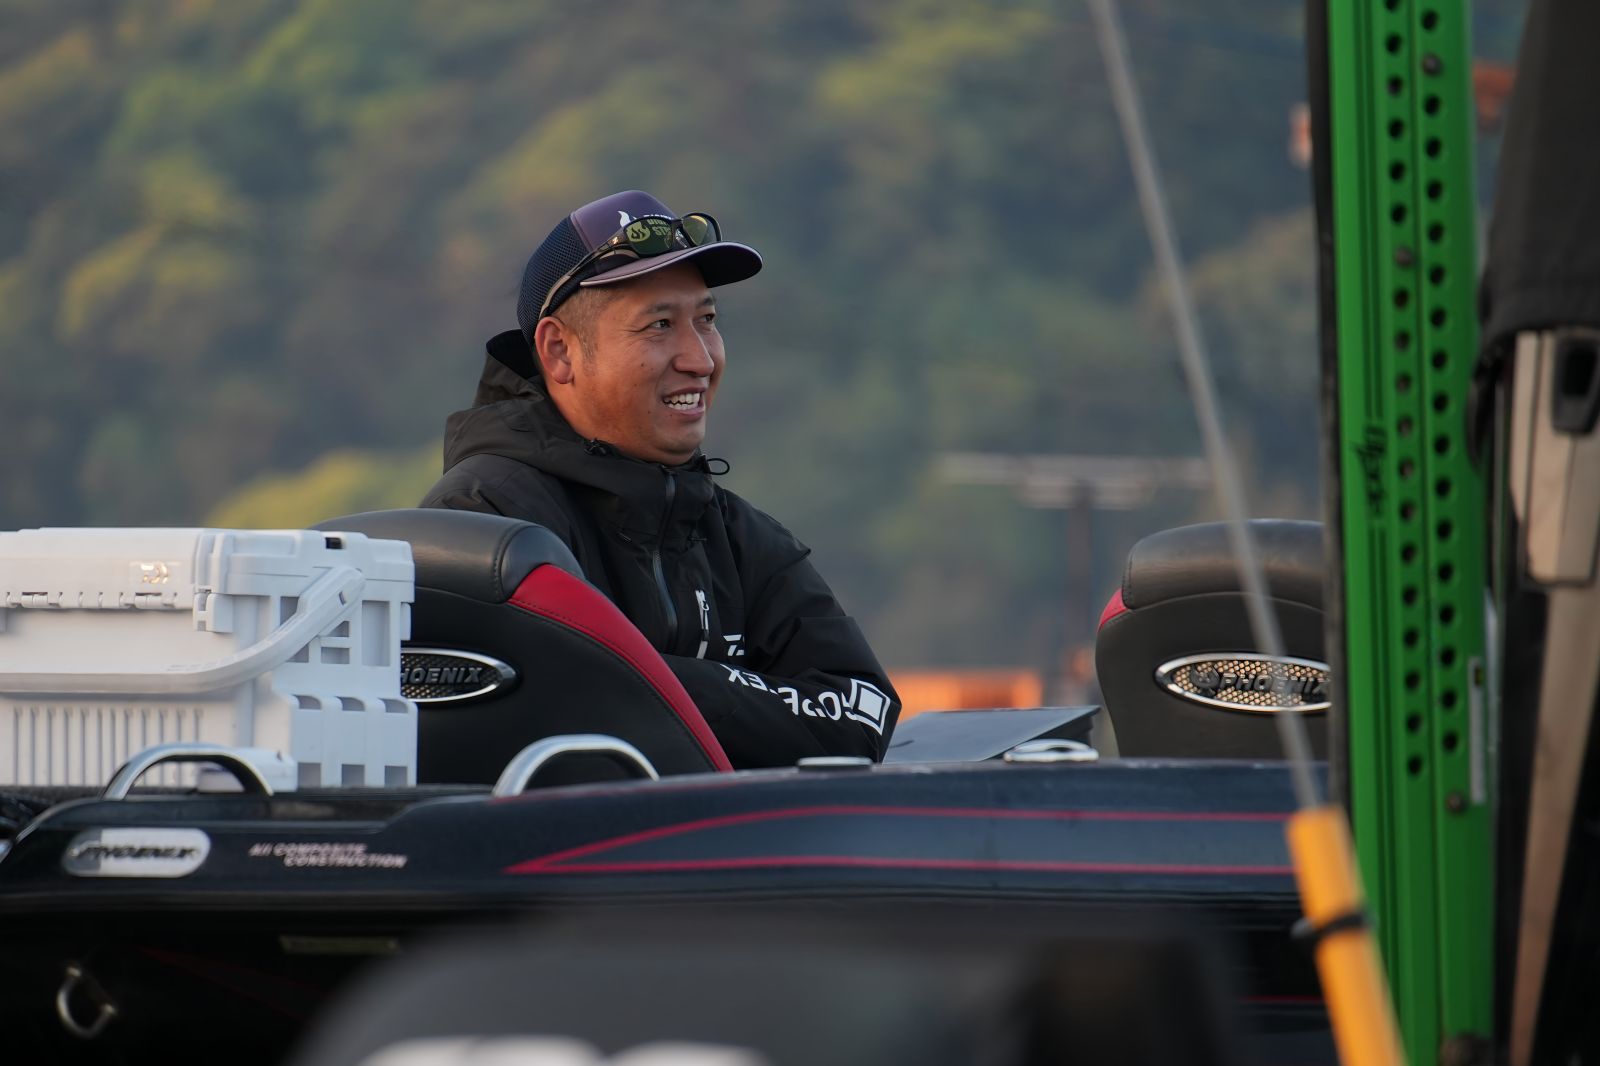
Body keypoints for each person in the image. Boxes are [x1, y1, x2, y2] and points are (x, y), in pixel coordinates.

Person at [420, 190, 900, 768]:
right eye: (660, 325)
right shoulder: (481, 518)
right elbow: (506, 716)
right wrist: (732, 695)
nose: (700, 359)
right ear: (559, 351)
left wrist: (657, 682)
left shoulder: (740, 535)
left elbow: (862, 718)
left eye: (707, 320)